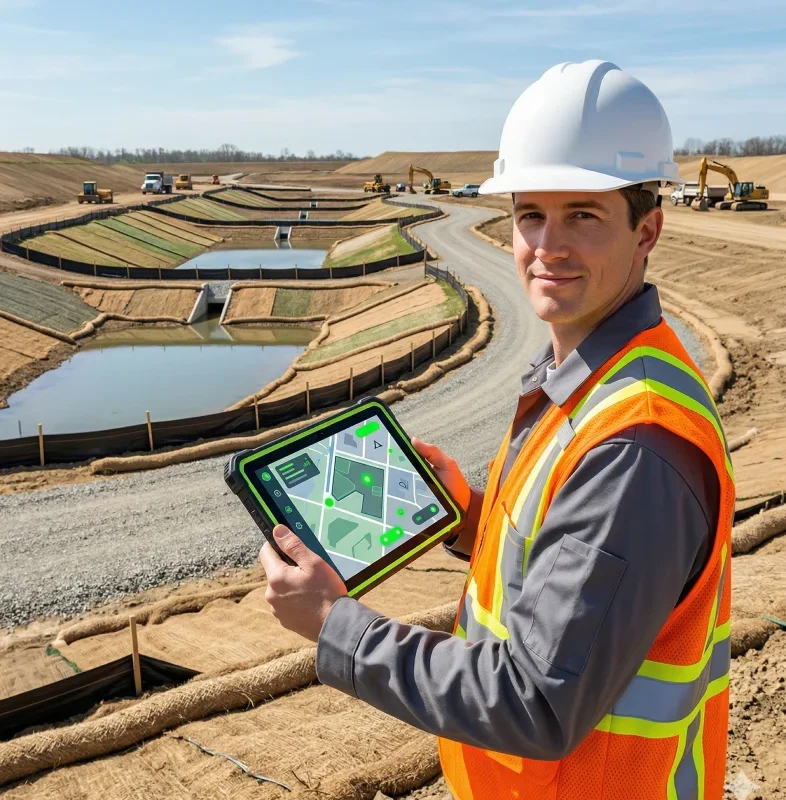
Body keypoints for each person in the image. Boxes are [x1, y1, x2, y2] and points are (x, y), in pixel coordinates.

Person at [259, 60, 734, 800]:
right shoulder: (592, 383)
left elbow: (535, 700)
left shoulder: (634, 443)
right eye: (530, 215)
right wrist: (467, 516)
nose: (549, 245)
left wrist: (332, 626)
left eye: (584, 214)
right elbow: (569, 574)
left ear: (649, 229)